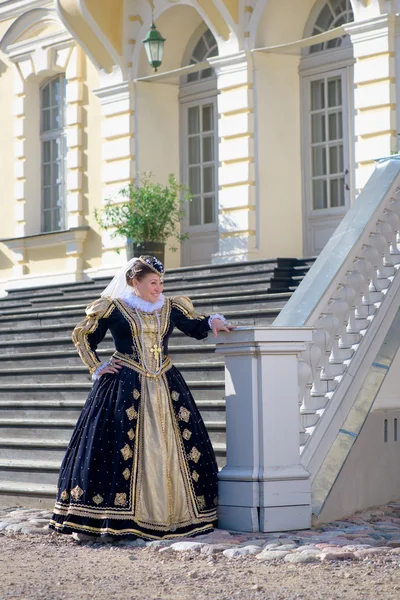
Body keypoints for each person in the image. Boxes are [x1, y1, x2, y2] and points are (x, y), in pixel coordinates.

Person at [49, 255, 233, 541]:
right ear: (135, 283)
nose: (158, 288)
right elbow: (84, 336)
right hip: (125, 383)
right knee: (117, 444)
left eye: (160, 282)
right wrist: (97, 366)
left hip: (165, 380)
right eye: (152, 283)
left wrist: (213, 322)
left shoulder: (169, 307)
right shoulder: (114, 308)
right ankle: (118, 518)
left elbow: (195, 326)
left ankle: (179, 515)